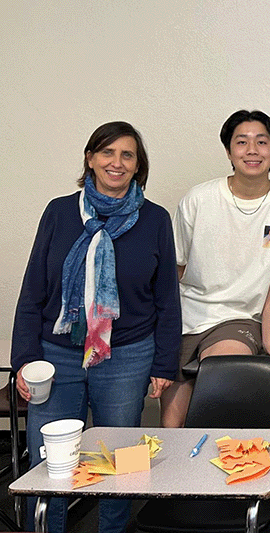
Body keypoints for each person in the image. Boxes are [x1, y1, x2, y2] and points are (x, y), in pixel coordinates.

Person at [11, 122, 181, 533]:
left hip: (128, 354)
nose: (116, 163)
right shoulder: (58, 211)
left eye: (127, 155)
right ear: (90, 158)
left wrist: (164, 364)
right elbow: (34, 288)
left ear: (138, 166)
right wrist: (24, 359)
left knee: (122, 459)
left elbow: (166, 299)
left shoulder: (154, 218)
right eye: (107, 153)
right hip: (56, 356)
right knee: (48, 461)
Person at [159, 109, 270, 428]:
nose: (252, 150)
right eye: (242, 142)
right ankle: (180, 476)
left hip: (238, 318)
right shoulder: (198, 199)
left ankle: (226, 470)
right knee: (173, 425)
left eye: (261, 142)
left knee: (221, 377)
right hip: (186, 316)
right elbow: (175, 269)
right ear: (229, 151)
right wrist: (161, 326)